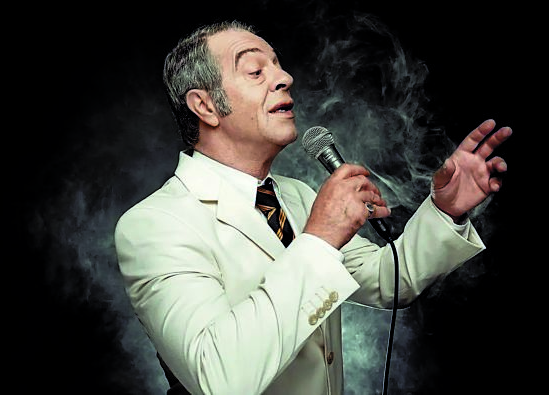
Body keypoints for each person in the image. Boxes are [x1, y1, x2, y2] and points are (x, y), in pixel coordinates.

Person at [114, 20, 512, 395]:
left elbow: (389, 279)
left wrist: (446, 211)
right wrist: (320, 237)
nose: (285, 78)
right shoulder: (154, 225)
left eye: (278, 65)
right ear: (204, 106)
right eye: (255, 71)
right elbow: (217, 376)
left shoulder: (298, 196)